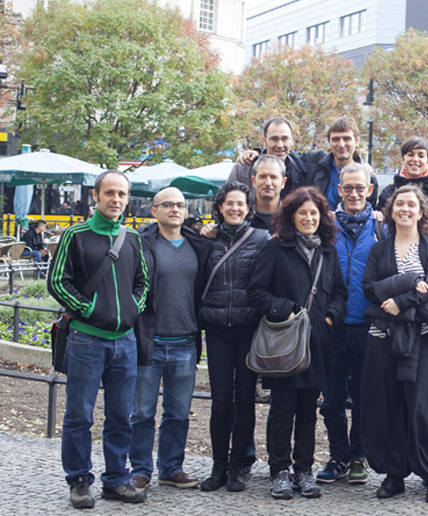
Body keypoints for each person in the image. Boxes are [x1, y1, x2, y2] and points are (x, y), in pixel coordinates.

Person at [47, 170, 149, 509]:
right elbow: (58, 281)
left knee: (121, 416)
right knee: (80, 415)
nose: (116, 199)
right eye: (109, 193)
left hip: (125, 341)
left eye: (122, 194)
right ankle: (78, 480)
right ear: (96, 196)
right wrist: (87, 308)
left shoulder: (132, 238)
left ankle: (116, 480)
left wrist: (133, 309)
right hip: (87, 340)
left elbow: (143, 282)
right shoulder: (75, 235)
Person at [248, 187, 347, 500]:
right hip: (287, 343)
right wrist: (287, 309)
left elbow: (341, 293)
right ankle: (279, 471)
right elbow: (257, 291)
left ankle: (304, 469)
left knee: (308, 410)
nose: (308, 218)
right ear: (291, 216)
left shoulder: (328, 251)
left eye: (314, 213)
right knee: (282, 410)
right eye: (302, 213)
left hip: (317, 344)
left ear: (322, 217)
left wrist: (330, 317)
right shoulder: (276, 248)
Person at [361, 185, 428, 503]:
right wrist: (410, 285)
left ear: (420, 211)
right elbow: (370, 289)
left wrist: (400, 301)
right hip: (383, 338)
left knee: (423, 406)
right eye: (399, 204)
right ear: (391, 210)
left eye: (411, 204)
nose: (405, 209)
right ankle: (394, 473)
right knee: (389, 406)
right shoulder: (379, 250)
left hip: (425, 339)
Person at [129, 188, 208, 491]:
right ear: (154, 211)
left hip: (186, 342)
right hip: (150, 341)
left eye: (179, 205)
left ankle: (171, 467)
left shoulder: (197, 245)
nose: (174, 209)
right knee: (143, 412)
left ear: (186, 211)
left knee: (178, 412)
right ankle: (140, 470)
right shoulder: (142, 243)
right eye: (167, 205)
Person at [198, 182, 269, 492]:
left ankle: (239, 465)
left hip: (248, 329)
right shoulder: (206, 241)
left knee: (245, 401)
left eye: (241, 204)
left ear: (249, 208)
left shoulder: (261, 239)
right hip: (217, 330)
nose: (235, 209)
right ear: (220, 207)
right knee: (220, 402)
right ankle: (218, 466)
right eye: (229, 203)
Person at [316, 163, 382, 485]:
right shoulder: (325, 226)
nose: (354, 193)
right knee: (331, 399)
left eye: (361, 188)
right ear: (339, 190)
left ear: (370, 190)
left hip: (368, 326)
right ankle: (337, 455)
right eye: (348, 188)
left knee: (364, 397)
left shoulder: (382, 227)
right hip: (334, 325)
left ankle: (358, 455)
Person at [301, 117, 380, 209]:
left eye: (346, 139)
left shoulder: (369, 178)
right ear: (329, 142)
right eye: (335, 139)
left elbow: (370, 211)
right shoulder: (316, 168)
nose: (341, 144)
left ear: (357, 141)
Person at [377, 137, 428, 224]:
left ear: (427, 161)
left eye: (421, 156)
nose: (415, 159)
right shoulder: (388, 193)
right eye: (411, 154)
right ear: (402, 159)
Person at [227, 117, 305, 196]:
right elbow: (226, 201)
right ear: (264, 141)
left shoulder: (303, 169)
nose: (280, 145)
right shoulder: (244, 169)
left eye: (285, 139)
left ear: (291, 141)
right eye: (274, 139)